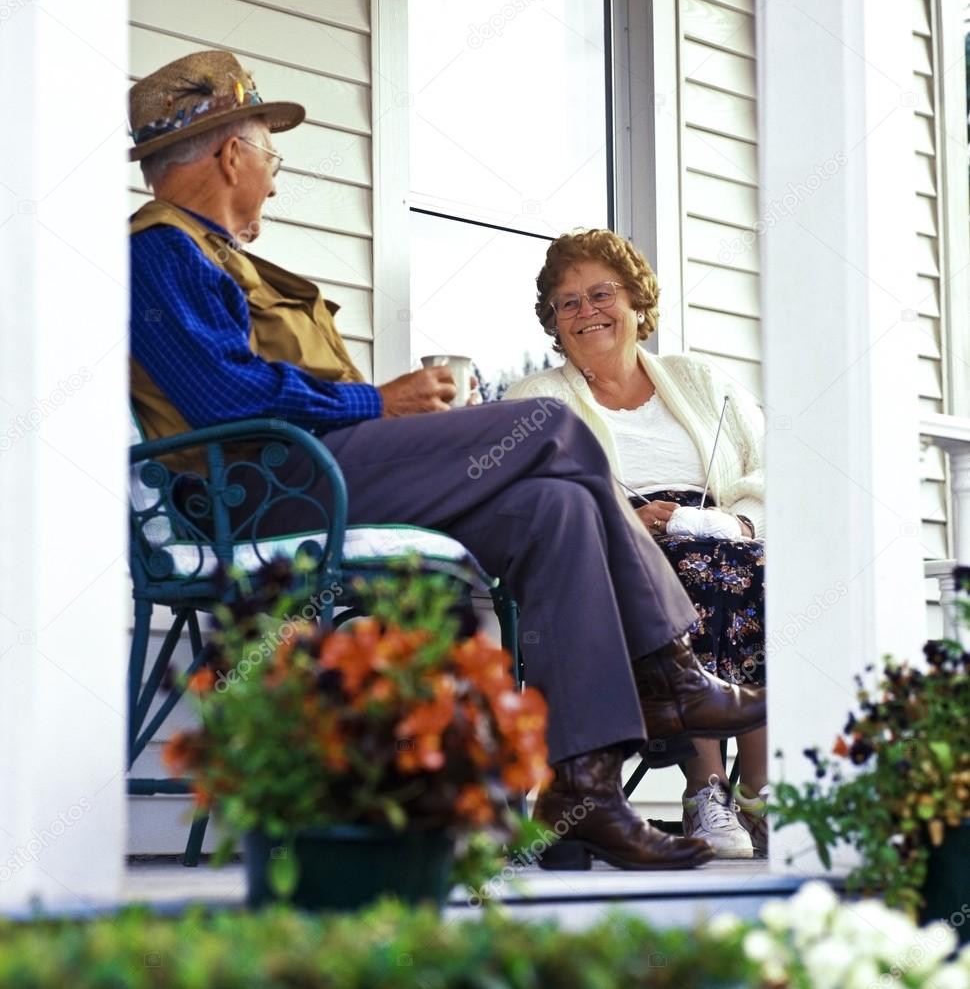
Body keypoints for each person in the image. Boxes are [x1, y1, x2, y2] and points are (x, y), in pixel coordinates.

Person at [127, 50, 766, 871]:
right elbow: (225, 399)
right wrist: (378, 403)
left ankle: (584, 789)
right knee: (548, 424)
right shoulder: (163, 252)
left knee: (557, 509)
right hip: (266, 490)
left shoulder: (218, 254)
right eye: (272, 157)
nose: (276, 180)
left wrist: (391, 415)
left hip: (316, 472)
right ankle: (670, 671)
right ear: (230, 155)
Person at [504, 229, 768, 859]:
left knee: (764, 570)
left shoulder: (700, 380)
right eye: (567, 303)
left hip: (722, 528)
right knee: (695, 569)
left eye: (601, 294)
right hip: (618, 548)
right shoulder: (535, 399)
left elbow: (768, 468)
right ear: (553, 322)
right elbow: (534, 496)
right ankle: (706, 788)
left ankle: (759, 789)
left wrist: (733, 522)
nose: (586, 311)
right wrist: (629, 521)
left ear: (638, 306)